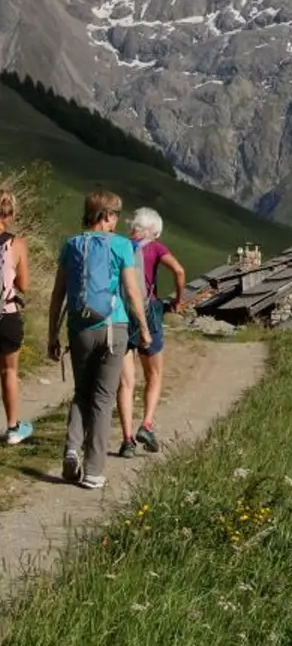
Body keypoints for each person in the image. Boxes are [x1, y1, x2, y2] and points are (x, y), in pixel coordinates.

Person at [47, 190, 150, 491]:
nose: (117, 220)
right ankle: (93, 470)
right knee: (104, 399)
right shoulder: (121, 245)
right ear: (105, 216)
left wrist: (52, 333)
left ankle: (70, 449)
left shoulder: (71, 245)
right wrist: (143, 328)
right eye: (115, 214)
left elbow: (57, 295)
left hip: (79, 329)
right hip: (113, 327)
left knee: (81, 392)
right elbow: (132, 293)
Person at [116, 207, 185, 457]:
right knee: (154, 373)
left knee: (125, 382)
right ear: (154, 231)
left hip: (120, 316)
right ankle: (146, 424)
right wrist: (178, 300)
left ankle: (126, 440)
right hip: (148, 313)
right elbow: (178, 270)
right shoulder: (156, 248)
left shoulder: (119, 245)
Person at [0, 190, 33, 446]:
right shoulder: (17, 244)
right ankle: (13, 428)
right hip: (6, 316)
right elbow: (23, 284)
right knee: (9, 371)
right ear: (9, 214)